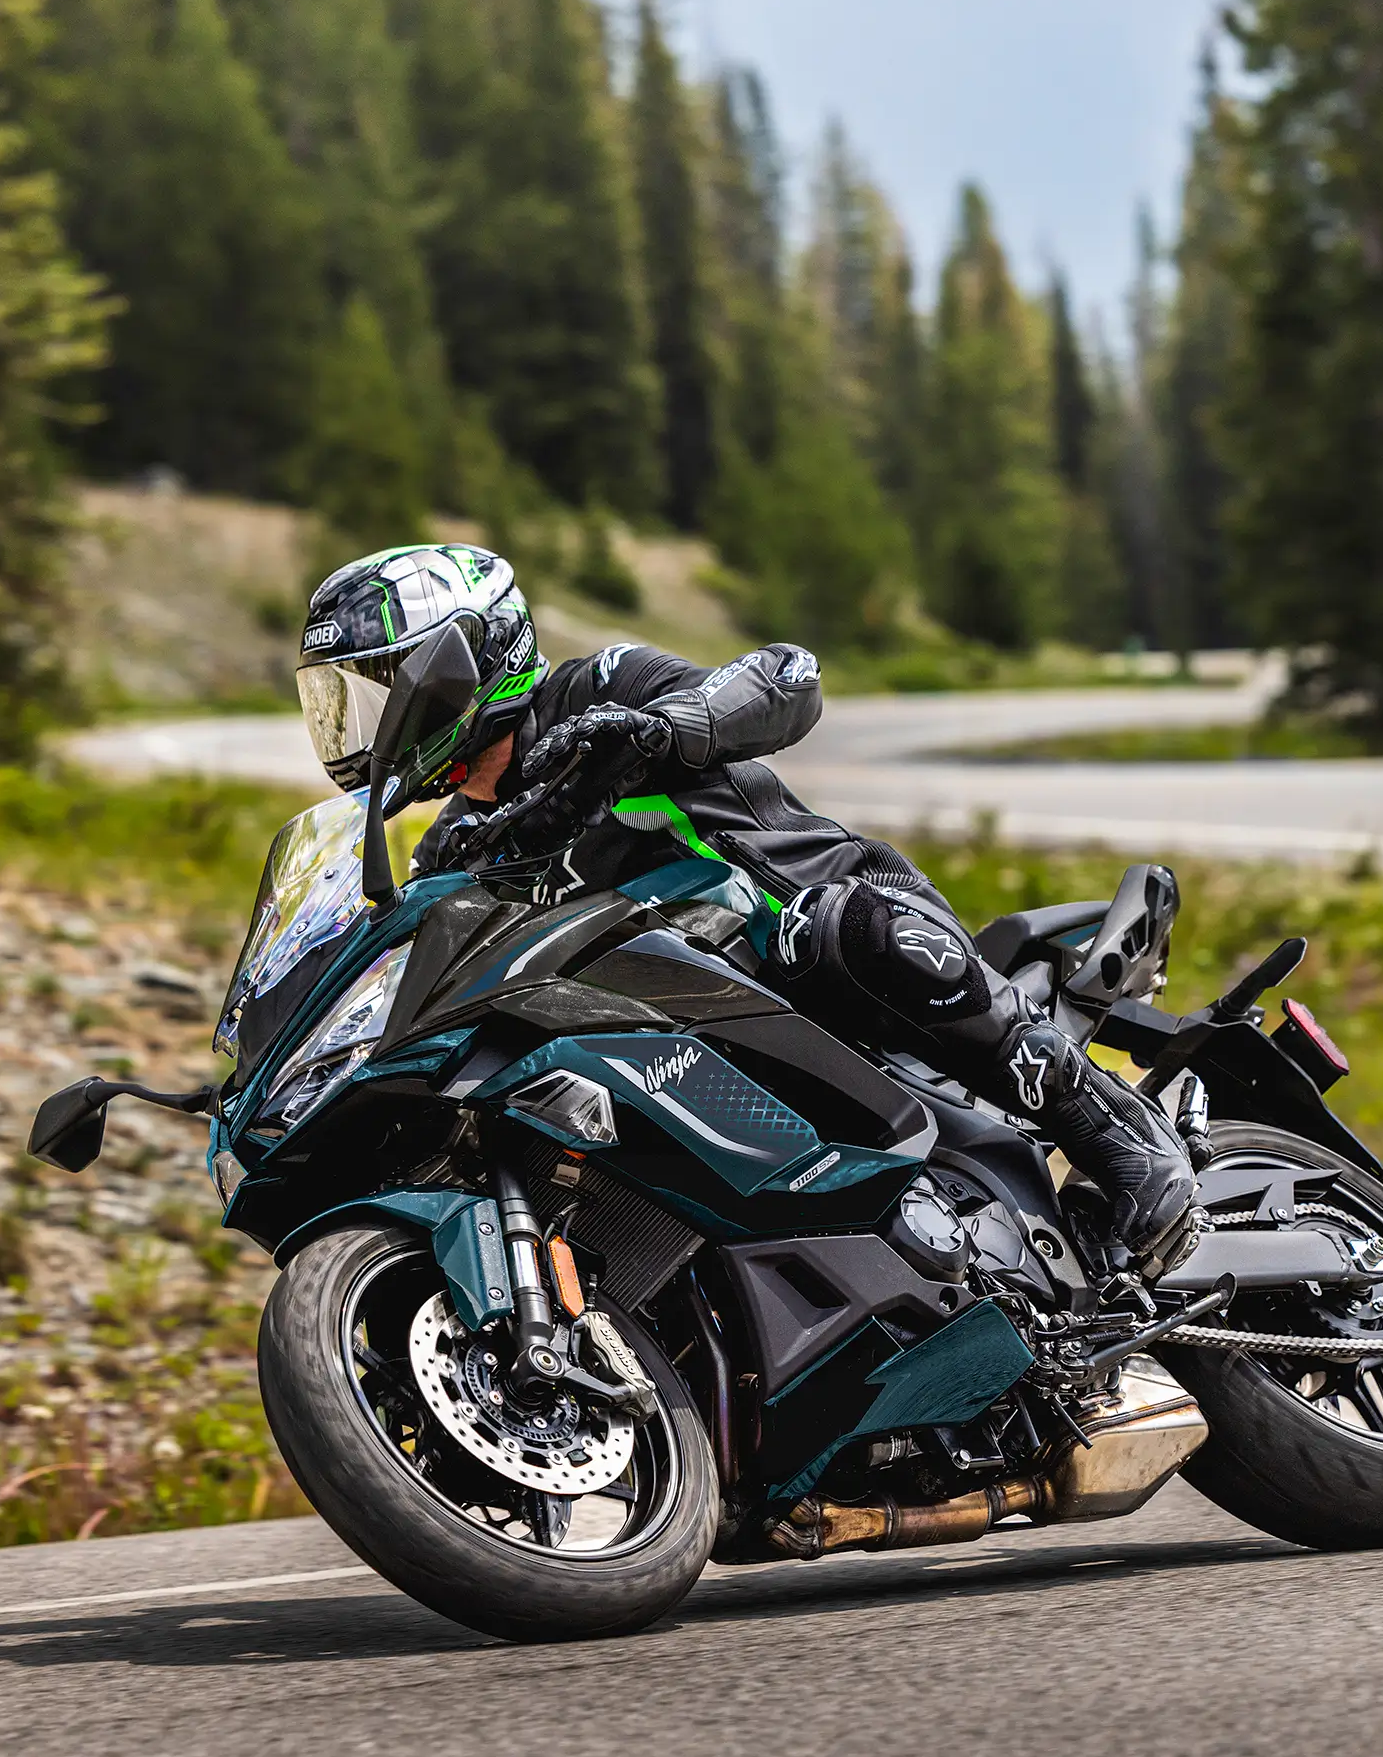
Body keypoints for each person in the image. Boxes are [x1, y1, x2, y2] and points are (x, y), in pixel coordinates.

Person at [292, 544, 1198, 1277]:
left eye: (369, 690)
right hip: (685, 1028)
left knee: (835, 932)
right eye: (336, 704)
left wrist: (669, 727)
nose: (354, 726)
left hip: (816, 940)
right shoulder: (454, 846)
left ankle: (1117, 1132)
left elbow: (787, 677)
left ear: (449, 672)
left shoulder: (598, 691)